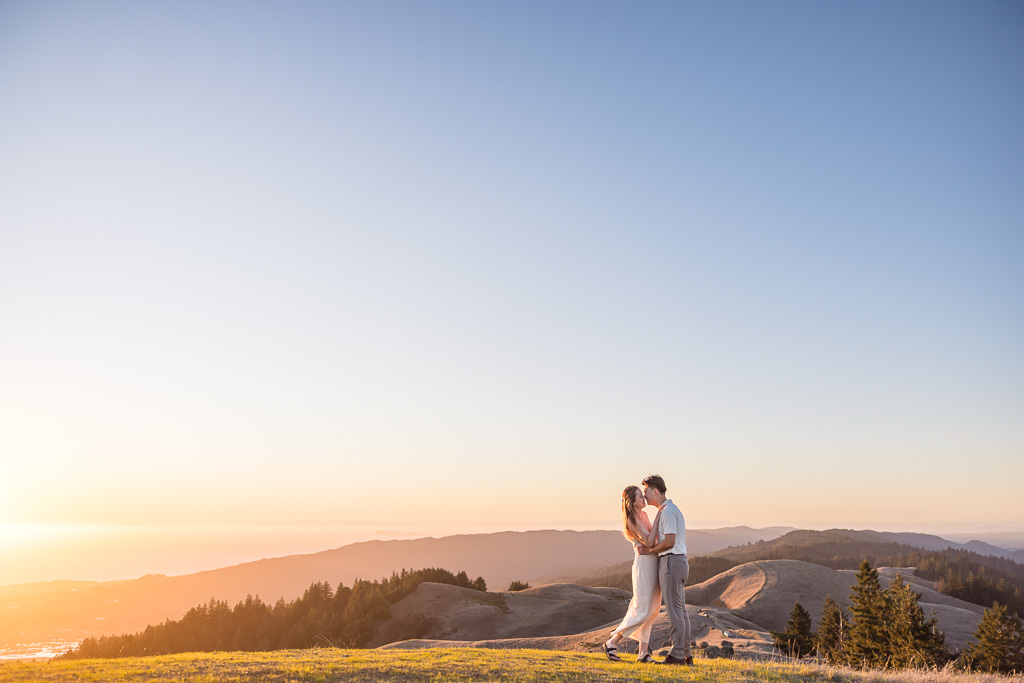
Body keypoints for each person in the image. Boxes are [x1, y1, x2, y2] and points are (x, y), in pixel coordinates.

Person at [602, 485, 663, 663]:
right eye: (640, 496)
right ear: (632, 502)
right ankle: (612, 642)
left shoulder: (644, 515)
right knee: (642, 609)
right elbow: (649, 542)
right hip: (643, 565)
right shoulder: (631, 521)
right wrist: (659, 519)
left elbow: (653, 540)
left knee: (652, 609)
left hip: (653, 562)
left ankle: (643, 653)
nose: (644, 498)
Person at [638, 474, 692, 666]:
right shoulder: (670, 509)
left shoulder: (668, 512)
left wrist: (650, 550)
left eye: (646, 491)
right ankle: (685, 654)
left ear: (655, 491)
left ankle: (676, 655)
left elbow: (669, 542)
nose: (644, 495)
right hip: (678, 561)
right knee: (681, 611)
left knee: (674, 611)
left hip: (671, 562)